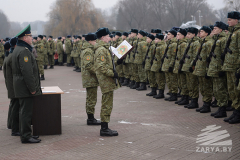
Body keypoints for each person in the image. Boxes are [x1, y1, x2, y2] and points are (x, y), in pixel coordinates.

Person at [12, 24, 42, 143]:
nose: (32, 38)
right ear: (24, 38)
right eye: (30, 36)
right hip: (25, 87)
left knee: (24, 111)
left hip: (21, 87)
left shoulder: (19, 49)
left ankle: (27, 133)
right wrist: (33, 88)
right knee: (25, 112)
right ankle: (25, 136)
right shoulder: (24, 51)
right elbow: (27, 72)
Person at [95, 27, 119, 136]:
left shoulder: (105, 48)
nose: (110, 37)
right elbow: (101, 66)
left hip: (108, 80)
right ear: (103, 37)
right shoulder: (101, 49)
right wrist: (112, 73)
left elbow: (108, 63)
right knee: (106, 104)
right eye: (108, 36)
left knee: (108, 104)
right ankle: (104, 129)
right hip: (106, 80)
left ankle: (105, 127)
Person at [207, 21, 228, 118]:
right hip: (214, 68)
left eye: (215, 28)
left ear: (221, 29)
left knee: (221, 90)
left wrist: (222, 69)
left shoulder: (223, 39)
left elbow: (225, 56)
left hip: (219, 69)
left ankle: (223, 110)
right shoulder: (216, 39)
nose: (213, 30)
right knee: (216, 90)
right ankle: (220, 108)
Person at [222, 11, 240, 124]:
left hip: (235, 67)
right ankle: (235, 111)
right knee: (231, 91)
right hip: (229, 66)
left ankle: (238, 113)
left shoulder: (238, 33)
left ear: (237, 20)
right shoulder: (231, 33)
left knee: (236, 91)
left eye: (230, 19)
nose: (228, 21)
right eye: (228, 19)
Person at [81, 33, 100, 125]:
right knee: (91, 99)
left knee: (91, 98)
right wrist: (98, 72)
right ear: (90, 41)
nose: (96, 42)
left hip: (90, 78)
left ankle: (91, 117)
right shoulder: (88, 51)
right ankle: (90, 119)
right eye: (95, 41)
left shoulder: (89, 49)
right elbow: (88, 65)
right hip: (90, 78)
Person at [192, 26, 213, 112]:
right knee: (202, 87)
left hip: (204, 68)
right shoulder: (201, 42)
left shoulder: (209, 43)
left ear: (207, 33)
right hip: (199, 68)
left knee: (206, 87)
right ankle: (205, 104)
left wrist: (208, 70)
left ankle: (207, 105)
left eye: (202, 31)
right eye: (200, 31)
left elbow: (210, 57)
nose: (200, 33)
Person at [3, 38, 21, 136]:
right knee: (15, 107)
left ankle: (10, 124)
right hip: (13, 86)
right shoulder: (11, 57)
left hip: (10, 85)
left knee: (12, 105)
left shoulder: (8, 57)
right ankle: (15, 129)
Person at [181, 27, 200, 109]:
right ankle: (191, 100)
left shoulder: (196, 43)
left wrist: (192, 65)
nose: (187, 35)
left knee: (193, 85)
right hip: (186, 66)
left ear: (194, 34)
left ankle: (194, 101)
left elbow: (195, 56)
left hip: (191, 67)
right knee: (189, 84)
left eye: (189, 34)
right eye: (187, 34)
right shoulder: (189, 42)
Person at [162, 29, 178, 101]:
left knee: (173, 80)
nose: (167, 36)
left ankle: (174, 94)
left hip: (170, 64)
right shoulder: (168, 42)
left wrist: (171, 65)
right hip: (166, 64)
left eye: (168, 34)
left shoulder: (174, 44)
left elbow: (173, 56)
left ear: (173, 35)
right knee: (169, 80)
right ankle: (171, 93)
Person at [173, 28, 189, 105]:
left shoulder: (184, 44)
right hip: (178, 65)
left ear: (183, 35)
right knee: (180, 83)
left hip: (181, 66)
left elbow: (183, 57)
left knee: (183, 83)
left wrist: (181, 66)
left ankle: (185, 98)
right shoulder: (179, 43)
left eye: (179, 34)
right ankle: (183, 97)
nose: (177, 36)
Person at [152, 34, 167, 99]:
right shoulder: (157, 46)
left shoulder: (162, 46)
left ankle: (161, 93)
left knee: (161, 80)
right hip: (156, 65)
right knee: (158, 79)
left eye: (156, 39)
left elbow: (163, 57)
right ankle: (158, 92)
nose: (155, 40)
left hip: (159, 65)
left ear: (160, 40)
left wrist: (161, 66)